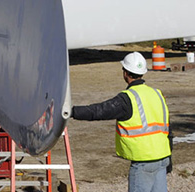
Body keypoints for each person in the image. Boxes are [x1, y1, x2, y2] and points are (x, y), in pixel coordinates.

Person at [71, 51, 171, 192]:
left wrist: (72, 112)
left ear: (125, 73)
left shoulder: (127, 99)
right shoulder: (157, 94)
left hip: (143, 161)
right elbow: (168, 128)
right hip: (162, 158)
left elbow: (99, 111)